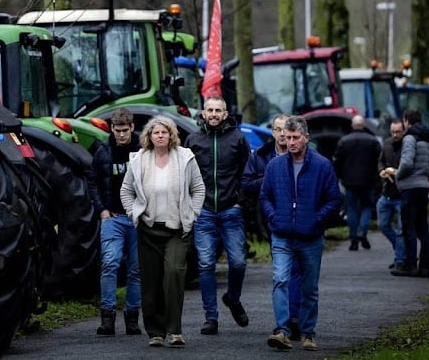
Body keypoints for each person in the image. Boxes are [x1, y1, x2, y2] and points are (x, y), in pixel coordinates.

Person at [120, 116, 205, 348]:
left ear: (171, 135)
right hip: (148, 229)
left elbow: (198, 188)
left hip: (177, 229)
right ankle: (155, 332)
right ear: (149, 136)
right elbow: (126, 190)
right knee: (151, 281)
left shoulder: (185, 157)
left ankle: (174, 330)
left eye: (164, 132)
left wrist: (193, 213)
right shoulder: (139, 160)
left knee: (174, 273)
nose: (160, 136)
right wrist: (133, 213)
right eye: (156, 132)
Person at [259, 115, 342, 351]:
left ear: (306, 137)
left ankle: (308, 333)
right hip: (282, 233)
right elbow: (265, 196)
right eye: (287, 137)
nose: (291, 142)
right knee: (280, 280)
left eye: (295, 137)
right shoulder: (275, 165)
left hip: (310, 236)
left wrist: (316, 219)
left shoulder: (322, 165)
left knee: (309, 287)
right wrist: (274, 216)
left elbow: (334, 199)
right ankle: (282, 330)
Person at [184, 95, 252, 335]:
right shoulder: (193, 139)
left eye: (218, 110)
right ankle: (210, 317)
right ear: (203, 113)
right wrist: (191, 204)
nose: (213, 114)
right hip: (203, 212)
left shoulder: (238, 139)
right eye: (210, 110)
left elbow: (248, 172)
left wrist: (241, 202)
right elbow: (185, 174)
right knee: (205, 264)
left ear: (225, 114)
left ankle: (233, 298)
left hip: (231, 210)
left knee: (238, 261)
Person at [241, 113, 302, 339]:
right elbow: (247, 184)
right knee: (281, 272)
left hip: (302, 221)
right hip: (272, 219)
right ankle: (285, 322)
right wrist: (270, 179)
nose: (282, 134)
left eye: (286, 129)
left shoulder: (304, 155)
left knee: (298, 270)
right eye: (277, 130)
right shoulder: (260, 156)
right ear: (273, 132)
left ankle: (295, 317)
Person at [88, 107, 142, 335]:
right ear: (112, 128)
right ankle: (107, 316)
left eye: (125, 130)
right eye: (117, 130)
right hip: (113, 217)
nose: (121, 135)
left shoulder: (143, 150)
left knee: (136, 269)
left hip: (137, 218)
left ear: (132, 127)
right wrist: (101, 210)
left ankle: (132, 317)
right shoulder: (102, 151)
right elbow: (92, 181)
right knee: (110, 263)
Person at [387, 109, 429, 277]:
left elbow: (407, 163)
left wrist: (397, 175)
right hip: (423, 186)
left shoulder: (409, 138)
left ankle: (410, 265)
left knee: (409, 227)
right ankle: (425, 266)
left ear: (407, 121)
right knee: (423, 227)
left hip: (409, 187)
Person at [332, 114, 381, 251]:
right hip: (368, 180)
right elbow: (379, 160)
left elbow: (337, 161)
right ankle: (362, 231)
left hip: (349, 181)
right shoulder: (372, 140)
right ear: (363, 125)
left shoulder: (344, 141)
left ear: (352, 125)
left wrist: (340, 177)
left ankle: (353, 239)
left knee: (351, 208)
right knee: (367, 206)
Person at [377, 120, 407, 270]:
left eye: (398, 132)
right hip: (387, 192)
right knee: (383, 225)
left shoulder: (407, 145)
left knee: (401, 229)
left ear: (403, 131)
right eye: (393, 132)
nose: (395, 135)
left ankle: (400, 259)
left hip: (401, 193)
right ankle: (401, 251)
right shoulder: (387, 144)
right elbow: (381, 161)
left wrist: (395, 171)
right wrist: (382, 170)